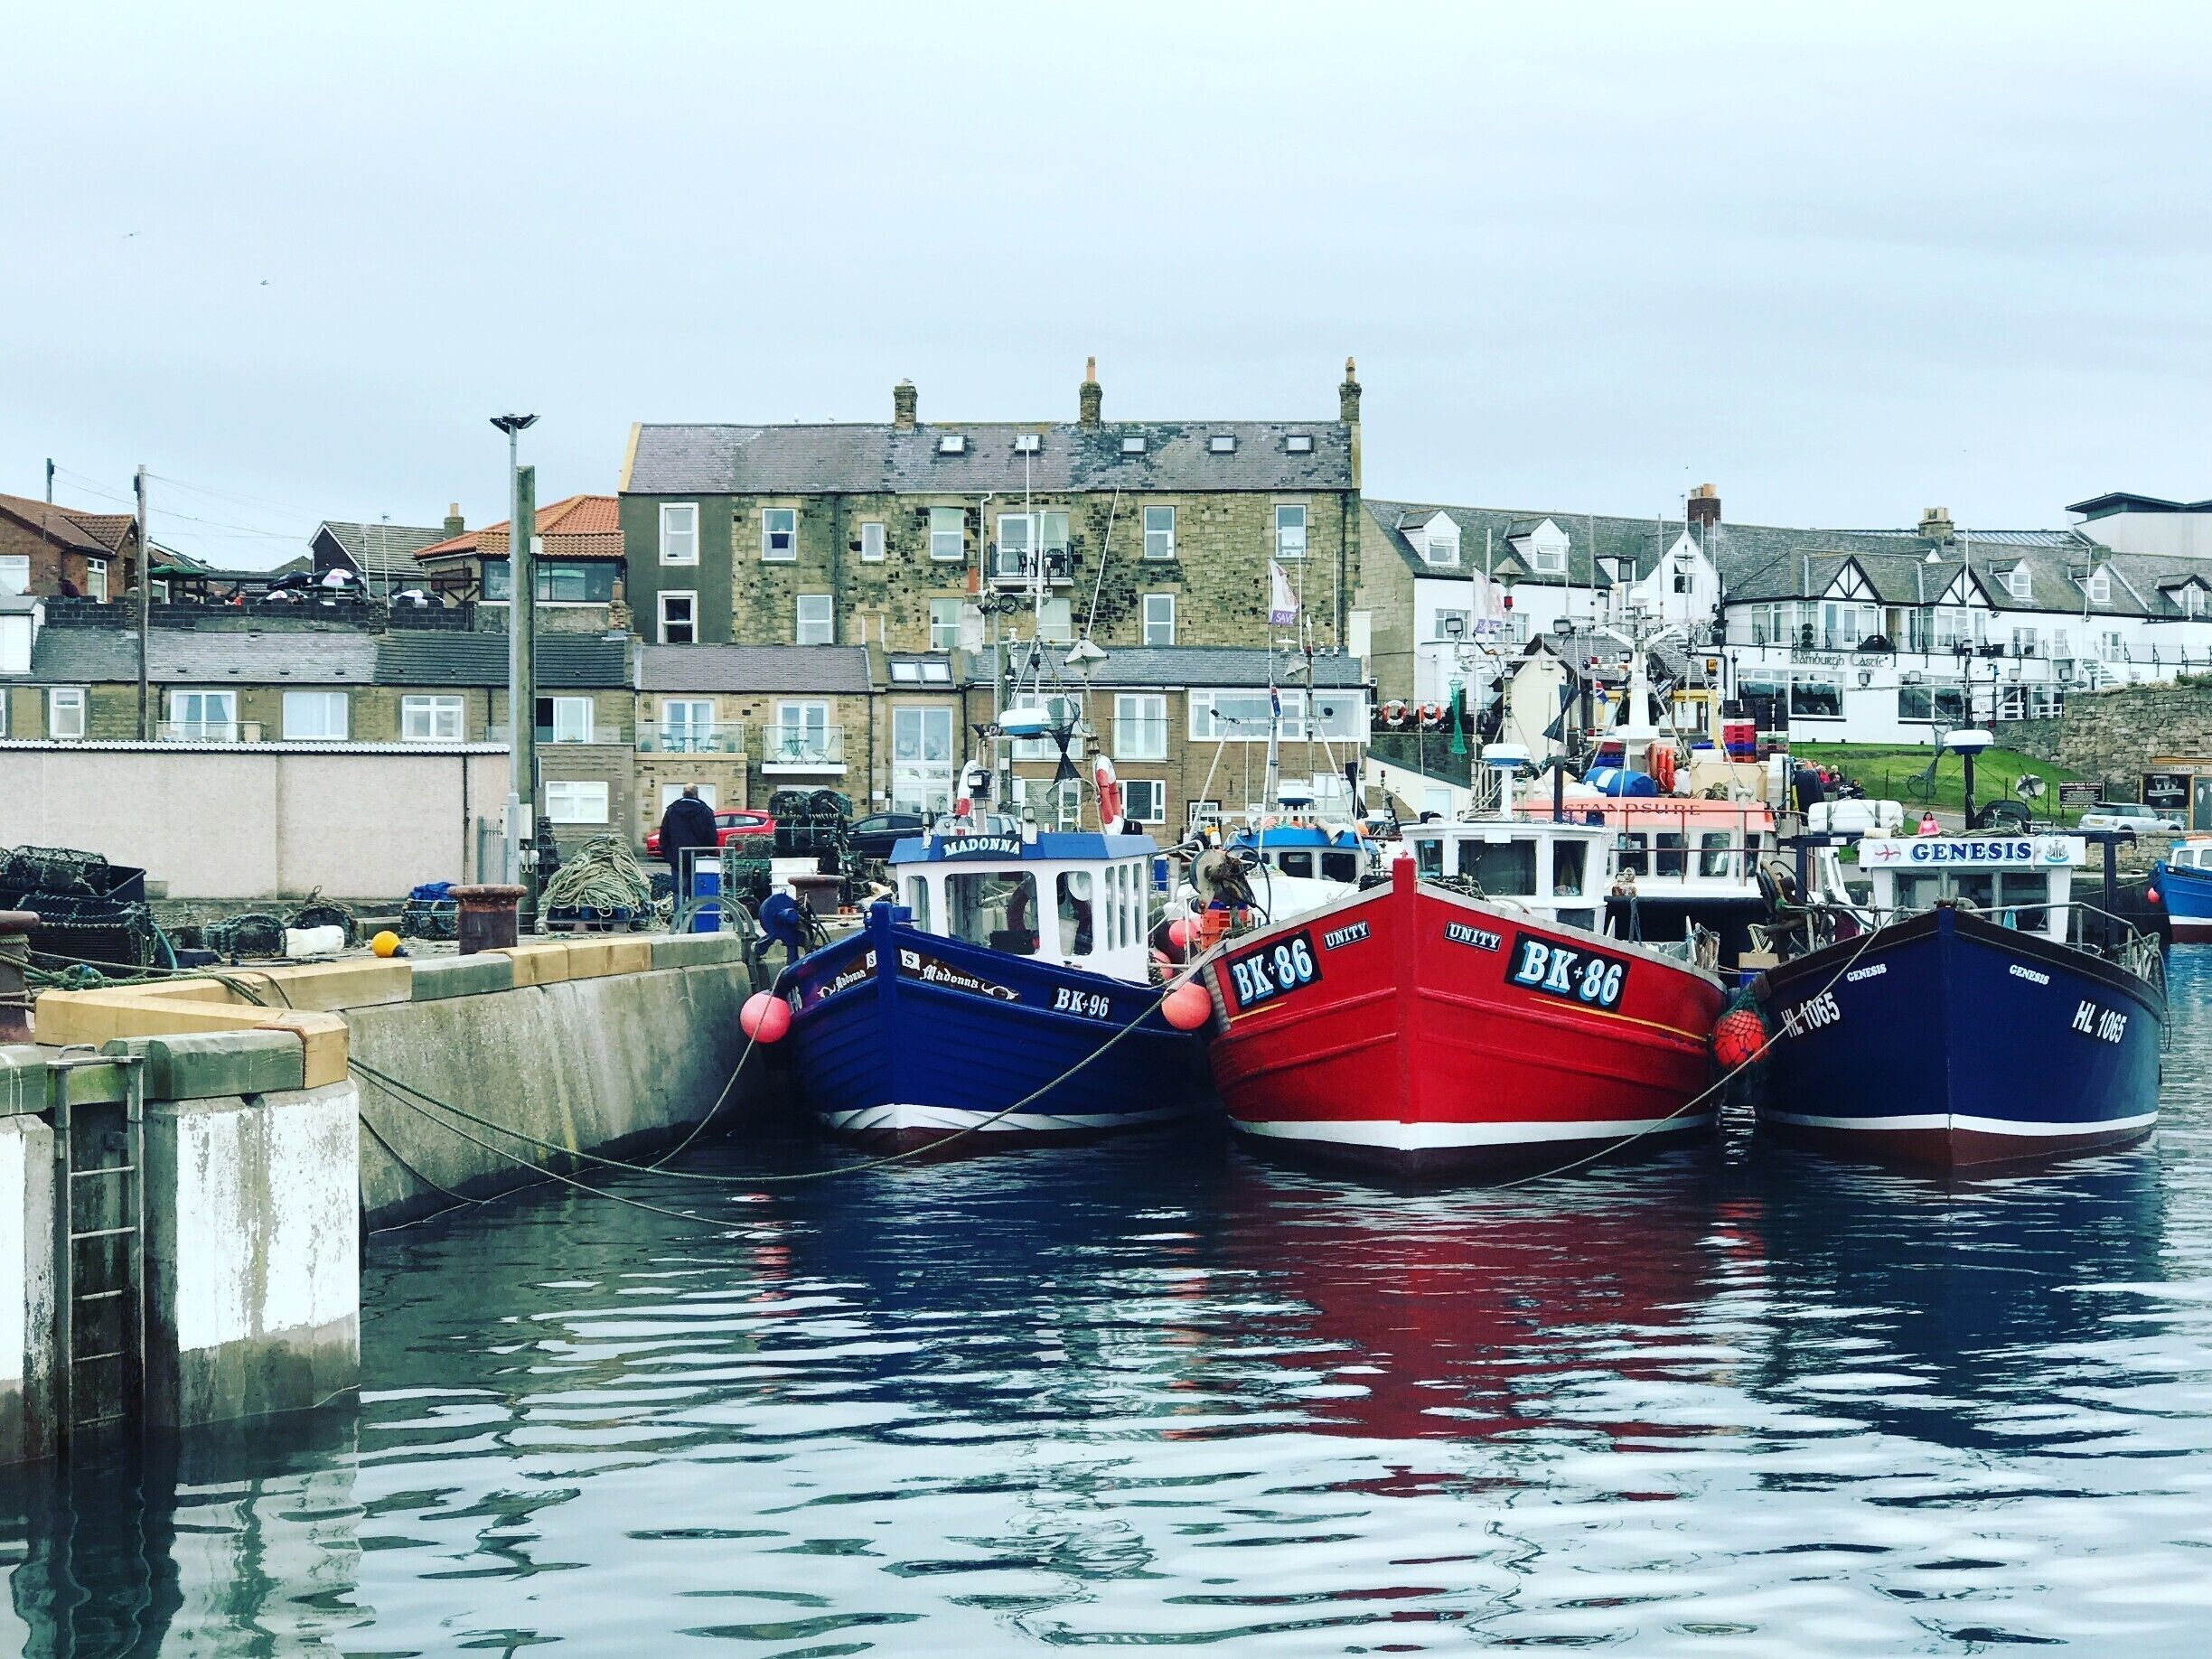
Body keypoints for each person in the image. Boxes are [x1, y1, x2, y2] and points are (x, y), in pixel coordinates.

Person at [657, 785, 719, 886]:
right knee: (696, 891)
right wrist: (710, 851)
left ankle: (679, 901)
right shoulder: (705, 811)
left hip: (677, 857)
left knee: (678, 891)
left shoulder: (671, 810)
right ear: (696, 794)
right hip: (699, 857)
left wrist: (667, 853)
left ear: (683, 794)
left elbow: (664, 833)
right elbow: (711, 835)